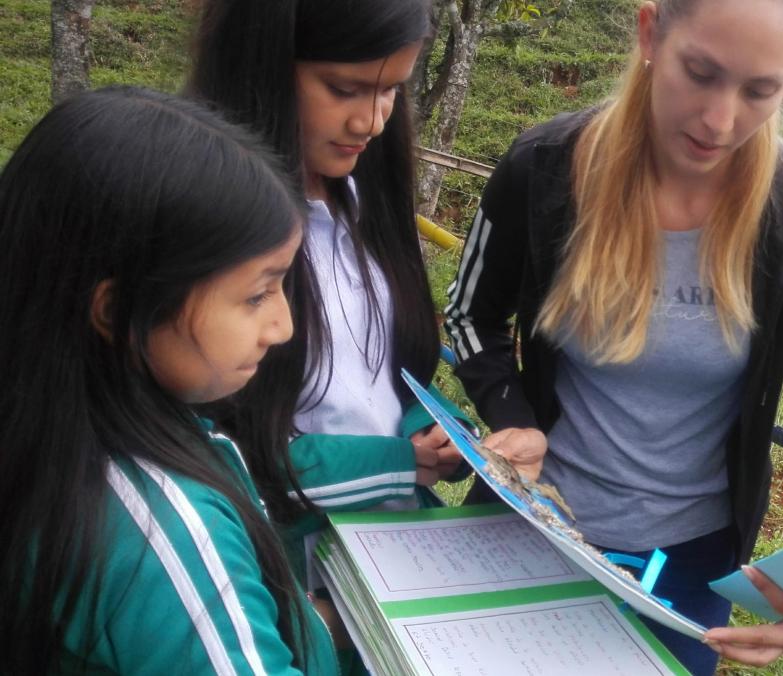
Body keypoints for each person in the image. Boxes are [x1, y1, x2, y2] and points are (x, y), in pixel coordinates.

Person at [444, 0, 783, 672]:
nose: (720, 121)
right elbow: (469, 317)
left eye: (759, 90)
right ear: (651, 31)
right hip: (526, 524)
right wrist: (514, 417)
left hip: (683, 571)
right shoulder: (544, 170)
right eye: (701, 72)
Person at [0, 87, 338, 674]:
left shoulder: (59, 435)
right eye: (258, 294)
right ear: (119, 312)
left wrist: (316, 624)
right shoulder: (162, 535)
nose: (282, 326)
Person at [187, 0, 473, 575]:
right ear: (261, 66)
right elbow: (225, 450)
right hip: (292, 574)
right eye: (344, 89)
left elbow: (378, 380)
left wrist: (436, 432)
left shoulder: (363, 206)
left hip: (397, 559)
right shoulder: (206, 233)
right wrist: (398, 461)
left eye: (393, 89)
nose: (371, 121)